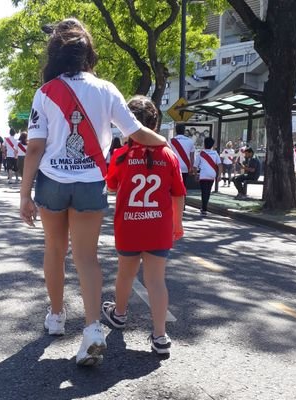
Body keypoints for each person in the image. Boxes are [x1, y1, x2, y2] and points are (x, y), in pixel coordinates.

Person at [19, 18, 167, 367]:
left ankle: (56, 316)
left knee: (55, 250)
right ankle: (92, 329)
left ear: (56, 54)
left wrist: (25, 194)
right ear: (89, 54)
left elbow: (35, 148)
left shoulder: (45, 93)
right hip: (90, 183)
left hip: (52, 182)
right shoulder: (107, 89)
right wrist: (164, 144)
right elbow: (137, 131)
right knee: (87, 258)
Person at [101, 95, 185, 356]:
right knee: (156, 280)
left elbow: (112, 185)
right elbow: (178, 193)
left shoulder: (121, 155)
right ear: (155, 124)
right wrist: (177, 223)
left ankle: (120, 314)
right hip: (158, 226)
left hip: (128, 225)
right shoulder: (168, 156)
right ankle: (160, 336)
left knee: (125, 273)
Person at [193, 137, 222, 216]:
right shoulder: (215, 153)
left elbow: (195, 166)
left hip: (203, 175)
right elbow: (219, 165)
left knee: (204, 192)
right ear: (212, 145)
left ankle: (204, 208)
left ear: (204, 144)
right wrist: (219, 175)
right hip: (212, 175)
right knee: (208, 191)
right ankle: (204, 207)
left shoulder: (201, 153)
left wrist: (196, 175)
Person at [170, 123, 195, 188]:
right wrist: (191, 167)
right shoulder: (190, 141)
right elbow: (192, 156)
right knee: (183, 184)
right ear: (184, 131)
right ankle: (183, 197)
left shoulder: (171, 141)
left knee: (175, 185)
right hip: (186, 166)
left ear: (176, 130)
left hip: (174, 166)